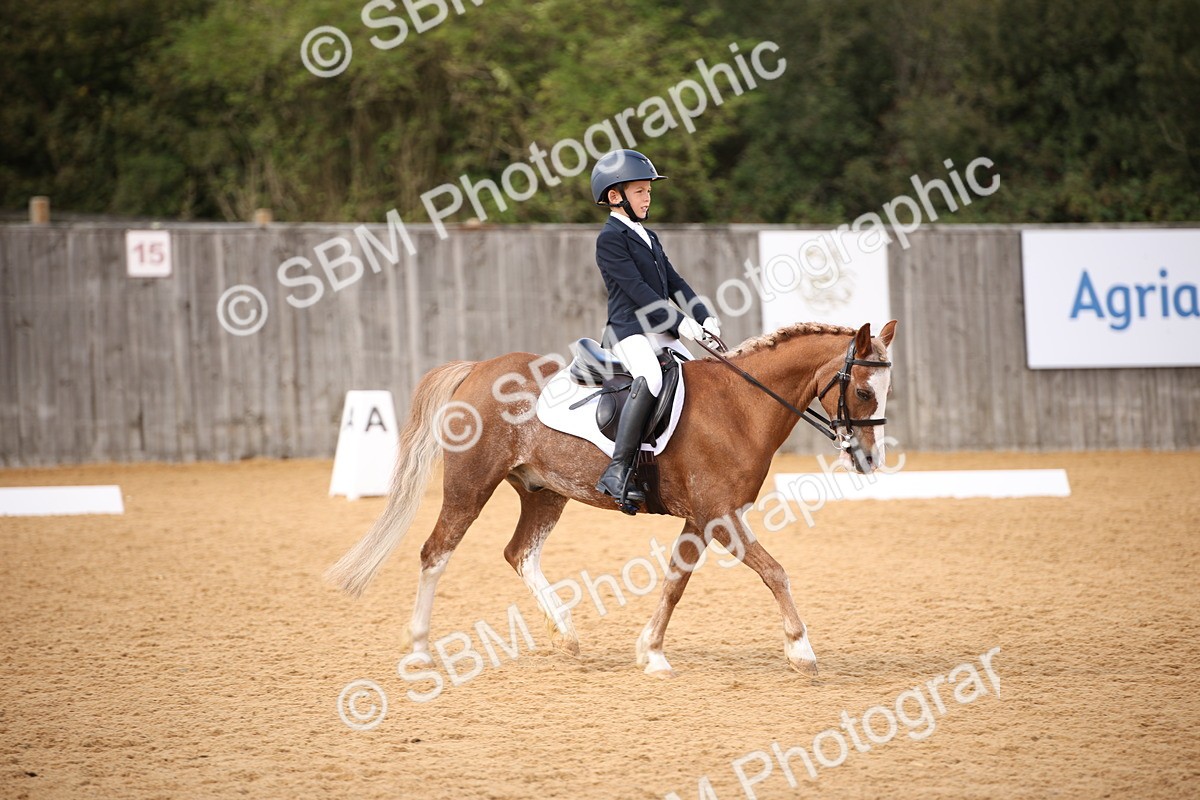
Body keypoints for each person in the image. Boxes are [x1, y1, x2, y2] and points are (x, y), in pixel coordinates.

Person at [589, 149, 720, 512]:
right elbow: (639, 293)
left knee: (698, 381)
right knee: (652, 376)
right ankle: (618, 470)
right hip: (628, 330)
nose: (648, 198)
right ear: (616, 197)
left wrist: (702, 315)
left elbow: (675, 282)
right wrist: (682, 324)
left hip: (659, 332)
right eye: (640, 191)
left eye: (649, 191)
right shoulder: (610, 238)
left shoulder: (648, 235)